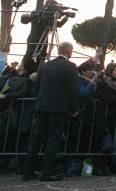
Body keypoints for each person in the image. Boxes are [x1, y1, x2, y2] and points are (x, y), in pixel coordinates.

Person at [23, 42, 79, 182]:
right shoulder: (70, 67)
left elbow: (38, 86)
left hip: (42, 106)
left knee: (37, 139)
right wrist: (74, 108)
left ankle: (27, 172)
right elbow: (73, 90)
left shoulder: (44, 66)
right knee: (53, 139)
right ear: (68, 51)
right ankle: (46, 172)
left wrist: (38, 102)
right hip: (59, 108)